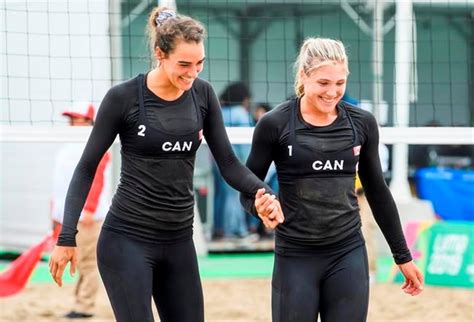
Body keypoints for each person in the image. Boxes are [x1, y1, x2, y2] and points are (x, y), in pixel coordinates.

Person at [48, 7, 282, 322]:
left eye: (199, 64)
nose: (192, 73)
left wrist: (263, 192)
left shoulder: (203, 94)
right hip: (127, 239)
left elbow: (228, 162)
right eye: (184, 64)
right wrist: (67, 236)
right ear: (160, 53)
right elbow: (86, 167)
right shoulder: (124, 98)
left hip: (178, 240)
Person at [241, 37, 424, 322]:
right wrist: (260, 206)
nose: (333, 92)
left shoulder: (361, 123)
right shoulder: (274, 124)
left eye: (340, 83)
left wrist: (402, 256)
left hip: (347, 251)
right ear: (303, 76)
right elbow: (247, 187)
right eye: (324, 83)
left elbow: (377, 191)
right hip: (296, 254)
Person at [51, 103, 112, 319]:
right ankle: (80, 304)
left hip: (87, 216)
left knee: (87, 262)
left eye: (75, 118)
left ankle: (85, 307)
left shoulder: (94, 144)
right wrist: (54, 212)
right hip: (67, 215)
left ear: (87, 121)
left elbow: (97, 179)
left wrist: (89, 209)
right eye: (70, 118)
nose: (71, 122)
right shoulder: (68, 145)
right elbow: (60, 182)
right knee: (77, 261)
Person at [211, 82, 253, 239]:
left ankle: (219, 229)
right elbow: (245, 144)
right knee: (233, 195)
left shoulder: (221, 111)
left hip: (216, 161)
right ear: (243, 98)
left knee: (219, 195)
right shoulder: (240, 113)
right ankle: (237, 231)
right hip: (233, 162)